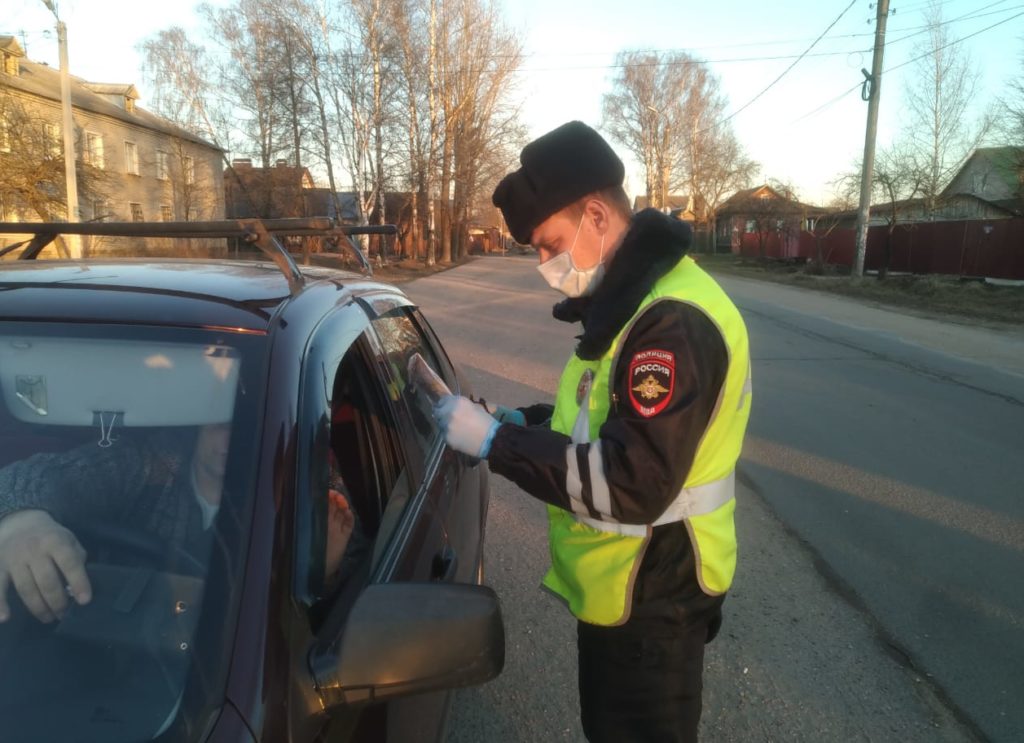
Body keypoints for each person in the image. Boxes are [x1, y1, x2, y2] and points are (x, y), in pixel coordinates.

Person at [432, 120, 752, 742]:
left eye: (549, 244)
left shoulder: (672, 324)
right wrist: (519, 421)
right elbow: (598, 413)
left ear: (598, 218)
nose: (545, 265)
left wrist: (498, 445)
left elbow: (634, 481)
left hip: (655, 593)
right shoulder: (631, 302)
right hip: (628, 587)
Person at [0, 423, 354, 624]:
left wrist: (319, 576)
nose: (229, 439)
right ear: (198, 426)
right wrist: (21, 518)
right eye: (219, 423)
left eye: (245, 425)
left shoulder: (299, 491)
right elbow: (53, 473)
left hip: (225, 666)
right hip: (115, 639)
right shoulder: (150, 462)